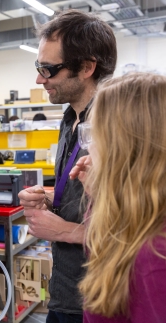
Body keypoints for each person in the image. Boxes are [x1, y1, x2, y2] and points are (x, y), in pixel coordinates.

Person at [17, 9, 117, 323]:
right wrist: (51, 199)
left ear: (87, 67)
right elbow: (90, 199)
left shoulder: (119, 128)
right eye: (38, 66)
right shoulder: (69, 118)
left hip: (101, 298)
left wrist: (68, 231)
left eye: (48, 69)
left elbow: (143, 230)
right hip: (64, 289)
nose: (39, 78)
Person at [69, 72, 166, 322]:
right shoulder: (138, 222)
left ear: (120, 146)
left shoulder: (155, 257)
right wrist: (101, 193)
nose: (89, 146)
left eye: (95, 133)